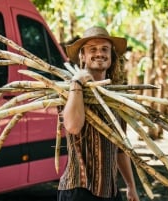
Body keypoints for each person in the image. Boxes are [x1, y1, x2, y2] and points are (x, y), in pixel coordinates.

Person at [57, 26, 140, 201]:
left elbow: (120, 147)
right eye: (92, 49)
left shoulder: (116, 98)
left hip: (110, 191)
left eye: (104, 49)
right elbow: (72, 126)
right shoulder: (69, 90)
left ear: (111, 55)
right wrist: (77, 83)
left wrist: (131, 185)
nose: (99, 54)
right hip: (79, 190)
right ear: (82, 56)